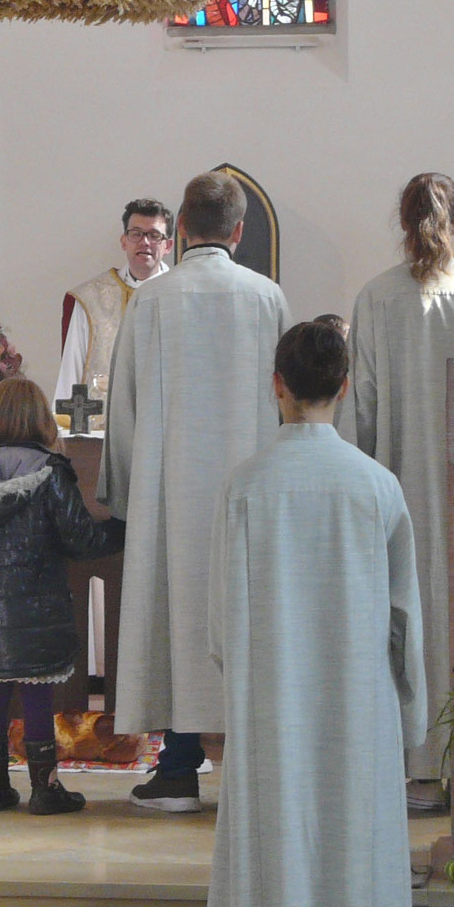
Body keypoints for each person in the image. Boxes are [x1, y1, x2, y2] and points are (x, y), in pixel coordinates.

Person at [196, 319, 424, 907]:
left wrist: (249, 680)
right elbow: (404, 620)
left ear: (277, 385)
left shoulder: (246, 486)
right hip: (359, 714)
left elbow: (221, 628)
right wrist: (410, 719)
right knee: (356, 872)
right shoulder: (376, 485)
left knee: (275, 865)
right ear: (345, 387)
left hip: (272, 711)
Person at [100, 171, 292, 813]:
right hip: (252, 493)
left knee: (177, 621)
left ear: (180, 229)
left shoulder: (153, 299)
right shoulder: (267, 297)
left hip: (169, 495)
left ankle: (179, 770)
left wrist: (125, 493)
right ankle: (251, 776)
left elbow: (124, 404)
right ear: (239, 231)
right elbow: (289, 400)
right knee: (246, 619)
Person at [341, 173, 454, 797]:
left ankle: (418, 770)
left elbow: (361, 406)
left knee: (406, 618)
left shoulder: (377, 297)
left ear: (402, 222)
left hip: (400, 488)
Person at [0, 378, 115, 816]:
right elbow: (81, 539)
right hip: (40, 605)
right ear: (40, 418)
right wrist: (122, 528)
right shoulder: (49, 471)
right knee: (37, 696)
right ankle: (45, 789)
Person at [54, 199, 174, 410]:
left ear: (168, 246)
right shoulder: (90, 299)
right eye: (136, 233)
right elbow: (71, 373)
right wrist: (64, 424)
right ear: (124, 241)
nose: (145, 242)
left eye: (154, 235)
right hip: (102, 424)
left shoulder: (181, 296)